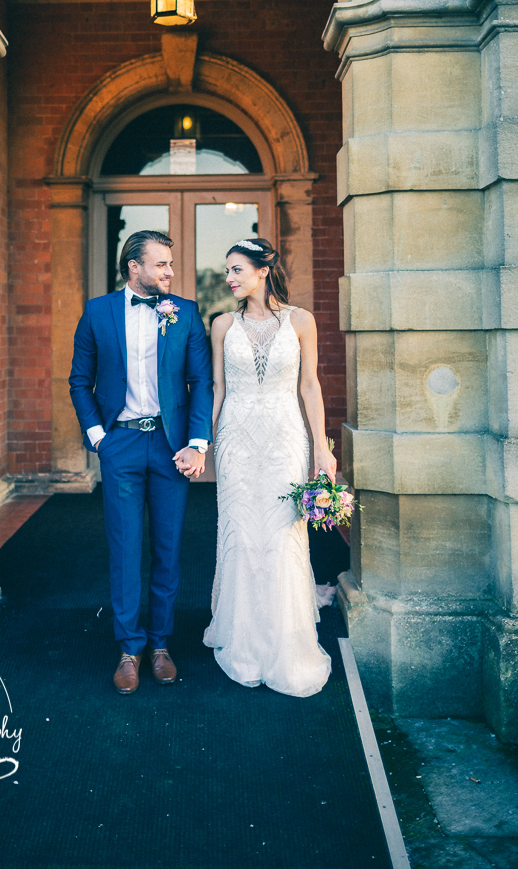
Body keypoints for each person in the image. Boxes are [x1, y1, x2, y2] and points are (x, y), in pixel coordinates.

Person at [69, 230, 213, 694]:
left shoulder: (186, 313)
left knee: (168, 549)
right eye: (161, 264)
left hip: (172, 448)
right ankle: (128, 649)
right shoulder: (98, 312)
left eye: (170, 264)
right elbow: (79, 381)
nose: (170, 272)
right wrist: (99, 439)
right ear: (134, 267)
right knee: (126, 547)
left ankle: (160, 645)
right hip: (122, 445)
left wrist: (197, 443)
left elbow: (201, 383)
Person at [203, 237, 335, 696]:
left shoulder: (301, 321)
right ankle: (242, 639)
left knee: (281, 535)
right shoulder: (221, 324)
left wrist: (322, 447)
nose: (229, 278)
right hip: (237, 441)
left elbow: (311, 388)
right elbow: (217, 388)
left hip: (284, 440)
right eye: (227, 271)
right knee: (241, 532)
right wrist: (205, 442)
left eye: (237, 269)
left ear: (262, 271)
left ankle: (285, 643)